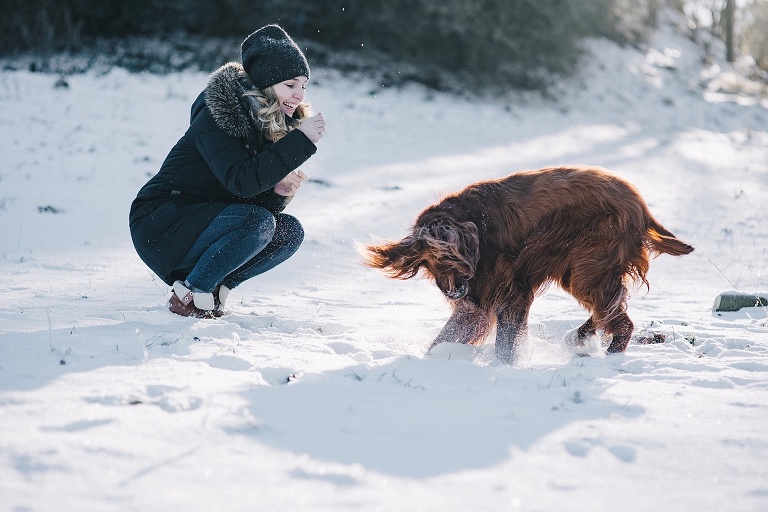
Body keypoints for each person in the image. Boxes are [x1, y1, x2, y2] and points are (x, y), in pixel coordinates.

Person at [129, 25, 326, 318]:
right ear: (265, 84)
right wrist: (300, 142)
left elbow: (249, 203)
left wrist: (278, 193)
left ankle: (217, 288)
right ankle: (189, 296)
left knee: (288, 231)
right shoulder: (219, 116)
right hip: (162, 221)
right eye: (290, 85)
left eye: (303, 86)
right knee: (259, 222)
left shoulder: (270, 127)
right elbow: (240, 183)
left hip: (205, 224)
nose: (299, 95)